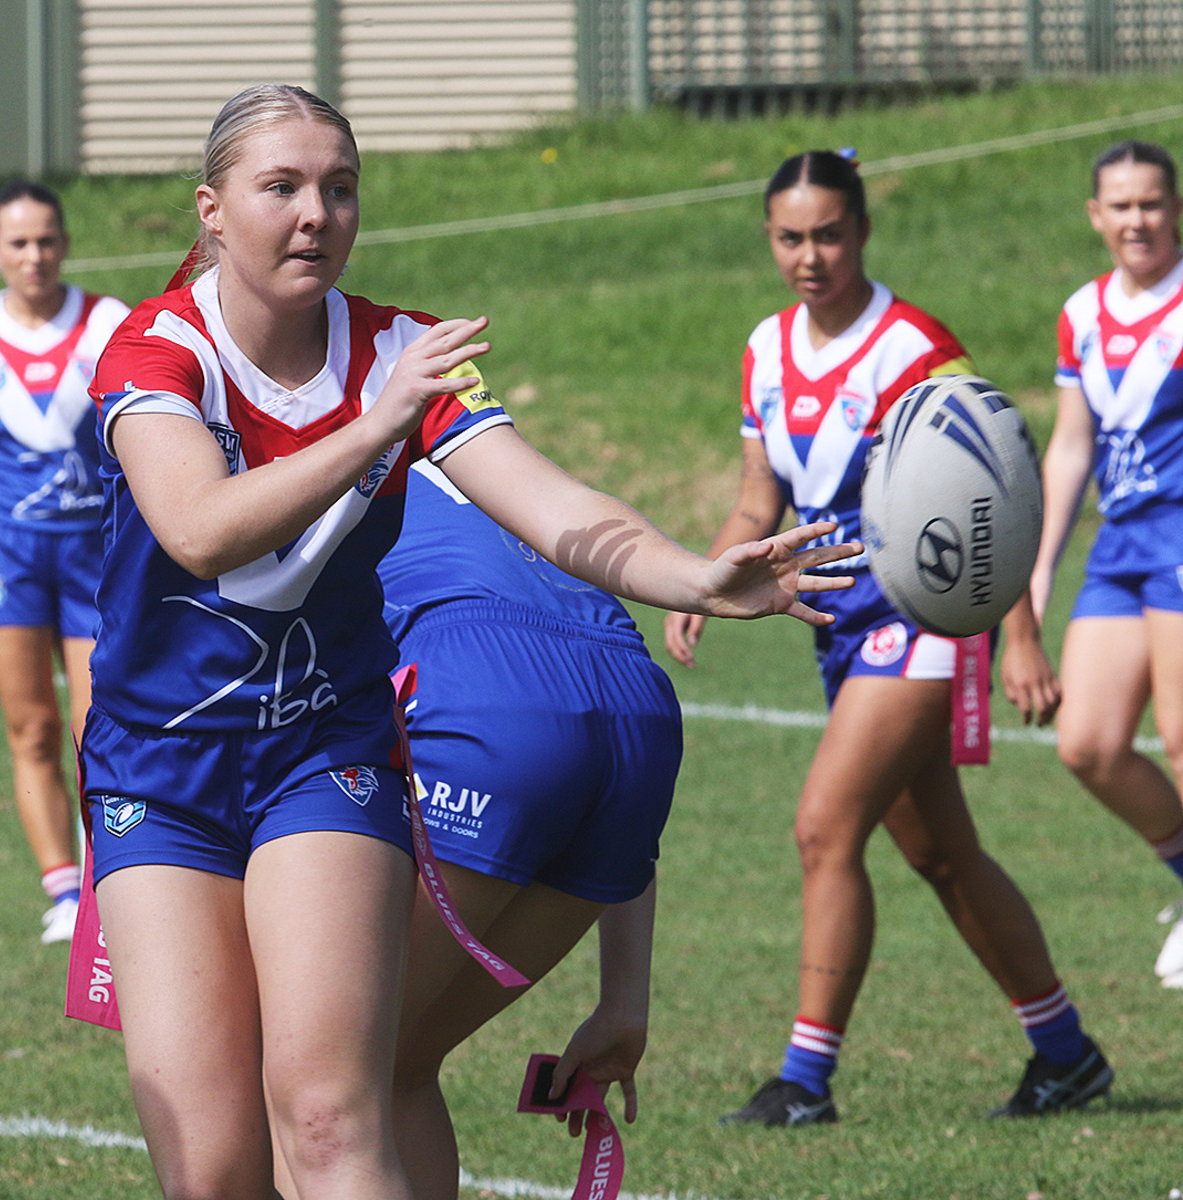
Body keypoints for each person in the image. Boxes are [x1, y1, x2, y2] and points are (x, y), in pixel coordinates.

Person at [81, 86, 860, 1200]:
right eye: (283, 187)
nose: (317, 213)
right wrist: (376, 426)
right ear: (212, 210)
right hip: (159, 772)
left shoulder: (398, 350)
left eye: (339, 189)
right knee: (211, 1170)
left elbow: (553, 506)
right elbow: (201, 532)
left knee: (328, 1113)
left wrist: (693, 572)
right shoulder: (153, 351)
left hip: (324, 756)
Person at [664, 149, 1112, 1127]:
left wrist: (1021, 634)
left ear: (862, 231)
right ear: (770, 240)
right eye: (791, 237)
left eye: (829, 233)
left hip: (924, 626)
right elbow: (757, 497)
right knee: (943, 855)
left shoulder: (915, 346)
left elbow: (995, 496)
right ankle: (1066, 1052)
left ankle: (804, 1082)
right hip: (837, 631)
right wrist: (704, 574)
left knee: (824, 826)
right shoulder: (767, 349)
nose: (811, 256)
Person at [368, 461, 678, 1200]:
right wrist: (624, 1000)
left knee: (321, 1076)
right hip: (640, 715)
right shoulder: (488, 457)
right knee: (398, 1067)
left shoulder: (320, 456)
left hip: (489, 696)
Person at [1028, 139, 1183, 989]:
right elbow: (1071, 445)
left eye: (1151, 203)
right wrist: (1041, 564)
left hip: (1182, 538)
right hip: (1119, 544)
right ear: (1095, 216)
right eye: (1119, 206)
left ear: (1177, 209)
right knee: (1086, 743)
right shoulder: (1082, 311)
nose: (1136, 220)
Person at [0, 181, 129, 944]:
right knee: (31, 725)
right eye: (18, 243)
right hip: (5, 559)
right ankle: (61, 891)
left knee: (94, 723)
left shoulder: (108, 324)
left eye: (46, 240)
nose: (34, 257)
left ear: (64, 242)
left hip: (93, 559)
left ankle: (114, 882)